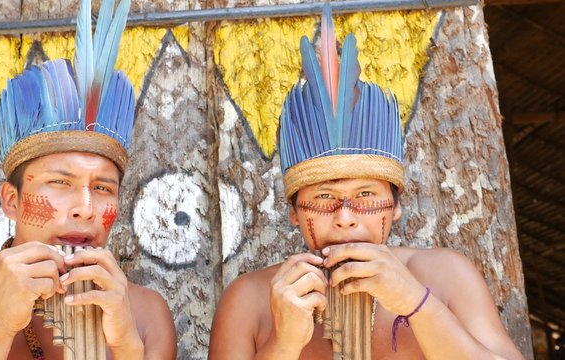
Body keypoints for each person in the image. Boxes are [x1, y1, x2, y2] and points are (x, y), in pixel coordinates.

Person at [208, 8, 523, 360]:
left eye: (366, 195)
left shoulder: (447, 276)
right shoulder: (249, 300)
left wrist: (417, 303)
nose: (345, 217)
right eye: (324, 197)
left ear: (397, 204)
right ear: (294, 212)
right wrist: (284, 343)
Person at [0, 0, 176, 358]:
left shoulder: (145, 315)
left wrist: (125, 346)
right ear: (12, 200)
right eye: (60, 182)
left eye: (102, 188)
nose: (85, 210)